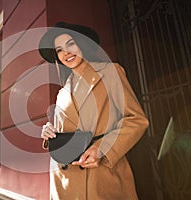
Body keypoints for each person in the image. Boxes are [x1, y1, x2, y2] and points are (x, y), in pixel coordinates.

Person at [38, 21, 149, 200]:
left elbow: (136, 119)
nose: (65, 52)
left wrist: (102, 149)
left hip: (101, 173)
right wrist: (49, 132)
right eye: (59, 49)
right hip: (64, 180)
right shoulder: (62, 92)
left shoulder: (111, 72)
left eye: (70, 44)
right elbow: (65, 128)